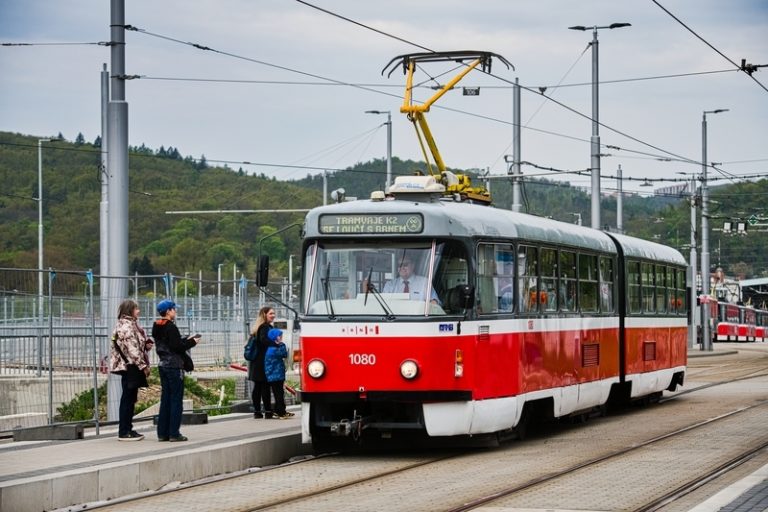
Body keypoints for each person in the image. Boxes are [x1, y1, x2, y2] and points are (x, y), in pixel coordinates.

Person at [152, 299, 200, 442]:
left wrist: (184, 340)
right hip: (174, 366)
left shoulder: (157, 326)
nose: (175, 311)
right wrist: (192, 342)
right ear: (168, 311)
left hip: (162, 365)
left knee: (165, 399)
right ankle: (174, 432)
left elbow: (169, 343)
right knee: (176, 400)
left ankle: (162, 433)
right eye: (174, 309)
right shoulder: (171, 327)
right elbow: (177, 347)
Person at [109, 299, 152, 441]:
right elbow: (132, 350)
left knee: (130, 398)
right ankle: (124, 431)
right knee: (127, 398)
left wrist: (146, 345)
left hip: (130, 365)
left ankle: (128, 428)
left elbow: (136, 346)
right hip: (130, 366)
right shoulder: (126, 327)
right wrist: (143, 366)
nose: (138, 311)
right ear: (130, 310)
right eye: (136, 308)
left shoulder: (130, 325)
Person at [248, 306, 278, 419]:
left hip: (257, 362)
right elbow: (264, 340)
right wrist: (276, 343)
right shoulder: (265, 327)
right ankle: (268, 411)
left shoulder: (258, 327)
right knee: (264, 386)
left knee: (258, 387)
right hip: (263, 361)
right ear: (264, 314)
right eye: (271, 313)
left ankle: (258, 411)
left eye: (274, 313)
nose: (273, 315)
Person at [264, 328, 294, 420]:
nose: (281, 338)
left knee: (278, 393)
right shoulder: (274, 349)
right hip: (276, 376)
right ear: (275, 337)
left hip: (273, 376)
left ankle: (279, 411)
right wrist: (282, 344)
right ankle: (281, 412)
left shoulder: (269, 348)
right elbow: (284, 353)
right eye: (280, 336)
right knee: (279, 394)